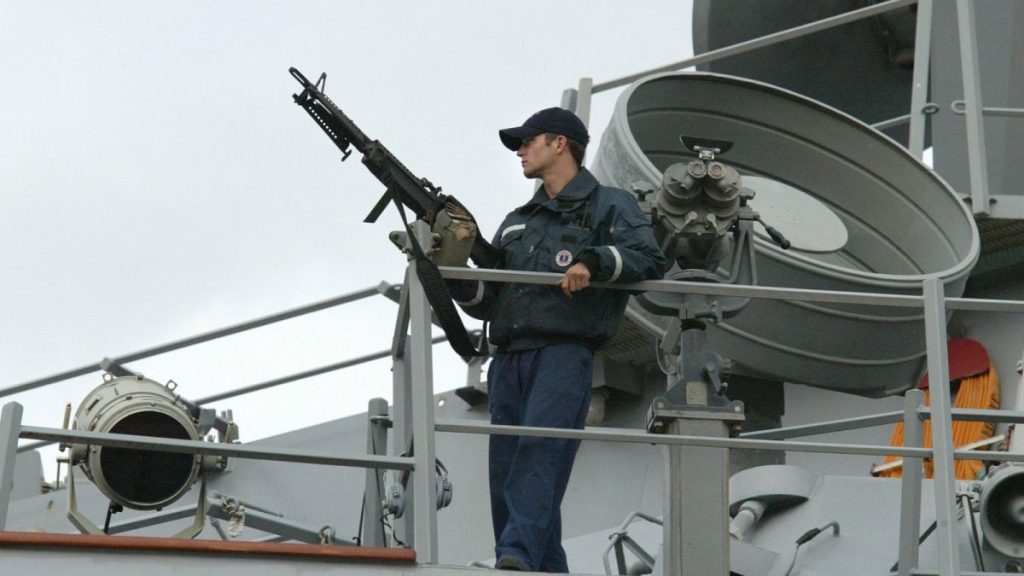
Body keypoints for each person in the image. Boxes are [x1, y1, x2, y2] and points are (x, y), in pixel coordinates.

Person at [450, 107, 665, 572]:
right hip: (509, 358)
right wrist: (451, 275)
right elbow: (493, 300)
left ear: (560, 143)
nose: (521, 152)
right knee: (506, 469)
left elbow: (649, 257)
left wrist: (594, 261)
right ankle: (539, 566)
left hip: (563, 354)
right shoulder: (515, 219)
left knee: (539, 456)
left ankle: (518, 557)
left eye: (528, 142)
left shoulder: (608, 204)